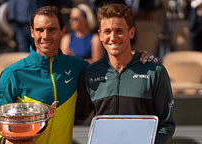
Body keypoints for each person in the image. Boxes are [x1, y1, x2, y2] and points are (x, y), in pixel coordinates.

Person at [0, 5, 156, 144]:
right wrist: (4, 140)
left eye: (52, 30)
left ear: (62, 31)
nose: (45, 36)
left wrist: (138, 58)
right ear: (32, 32)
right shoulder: (13, 73)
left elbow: (113, 66)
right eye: (39, 30)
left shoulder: (78, 66)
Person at [75, 4, 175, 144]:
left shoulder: (155, 72)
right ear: (100, 35)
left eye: (119, 31)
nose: (113, 37)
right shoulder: (90, 73)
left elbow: (166, 125)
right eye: (107, 31)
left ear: (131, 33)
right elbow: (76, 117)